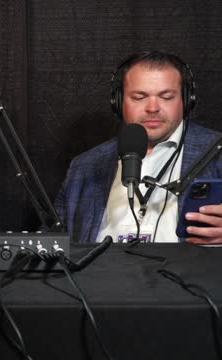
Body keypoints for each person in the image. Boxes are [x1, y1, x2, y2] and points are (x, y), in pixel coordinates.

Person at [55, 50, 222, 244]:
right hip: (101, 274)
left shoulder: (216, 152)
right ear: (118, 102)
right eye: (139, 97)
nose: (152, 108)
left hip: (188, 274)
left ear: (186, 101)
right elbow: (53, 242)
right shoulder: (85, 166)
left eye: (166, 97)